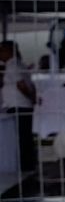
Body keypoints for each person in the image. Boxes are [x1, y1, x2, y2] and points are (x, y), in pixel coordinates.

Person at [1, 40, 39, 176]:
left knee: (21, 139)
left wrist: (30, 97)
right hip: (22, 105)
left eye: (2, 51)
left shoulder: (13, 66)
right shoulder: (19, 64)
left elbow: (21, 85)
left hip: (18, 105)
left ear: (8, 51)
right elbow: (31, 85)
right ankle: (28, 165)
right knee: (25, 137)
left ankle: (25, 167)